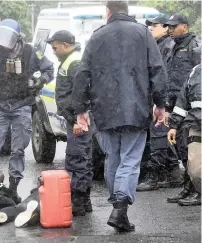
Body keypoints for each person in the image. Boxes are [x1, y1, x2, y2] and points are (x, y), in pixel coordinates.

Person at [72, 1, 167, 232]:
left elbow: (82, 73)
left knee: (112, 157)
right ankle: (120, 208)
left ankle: (118, 206)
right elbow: (157, 69)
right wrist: (160, 104)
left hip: (104, 110)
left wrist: (80, 110)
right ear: (127, 11)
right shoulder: (142, 33)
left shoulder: (96, 36)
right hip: (135, 108)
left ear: (107, 12)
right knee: (130, 160)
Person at [0, 19, 54, 199]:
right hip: (0, 105)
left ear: (17, 37)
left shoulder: (31, 52)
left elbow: (49, 69)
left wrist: (39, 82)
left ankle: (13, 187)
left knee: (18, 150)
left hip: (22, 104)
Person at [46, 30, 95, 216]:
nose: (54, 51)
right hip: (76, 119)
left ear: (66, 45)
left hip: (78, 121)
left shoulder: (74, 62)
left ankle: (79, 203)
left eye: (55, 47)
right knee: (81, 159)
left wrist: (77, 120)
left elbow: (81, 93)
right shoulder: (71, 60)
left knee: (77, 160)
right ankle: (85, 201)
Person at [137, 15, 180, 191]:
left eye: (154, 26)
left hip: (164, 99)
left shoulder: (167, 46)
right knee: (162, 136)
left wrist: (162, 102)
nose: (151, 29)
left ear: (164, 27)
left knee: (158, 137)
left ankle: (155, 176)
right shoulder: (159, 45)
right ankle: (173, 174)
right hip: (160, 98)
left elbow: (166, 77)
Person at [164, 13, 201, 204]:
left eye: (173, 26)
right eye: (168, 27)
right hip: (178, 106)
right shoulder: (172, 47)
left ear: (185, 27)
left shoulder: (195, 47)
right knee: (182, 149)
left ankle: (196, 189)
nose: (169, 30)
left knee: (192, 152)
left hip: (192, 111)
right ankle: (188, 187)